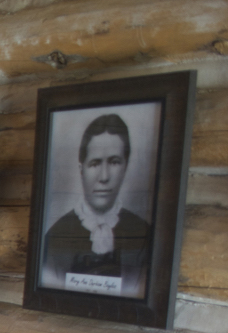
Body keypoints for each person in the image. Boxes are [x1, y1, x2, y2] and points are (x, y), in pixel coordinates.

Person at [41, 113, 149, 297]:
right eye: (95, 163)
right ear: (81, 169)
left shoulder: (144, 234)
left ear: (125, 166)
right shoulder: (55, 236)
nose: (104, 177)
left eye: (114, 162)